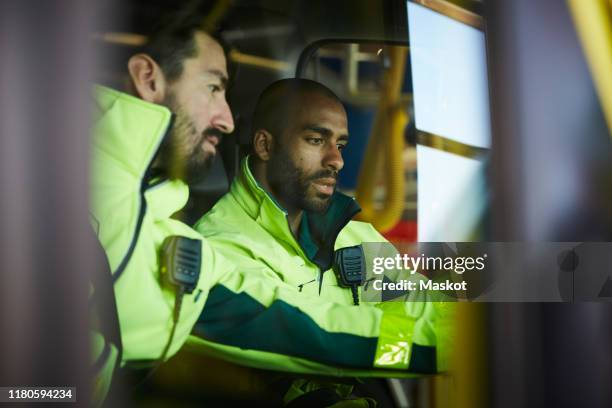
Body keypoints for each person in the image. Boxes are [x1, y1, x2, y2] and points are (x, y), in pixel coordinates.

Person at [191, 79, 454, 404]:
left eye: (340, 145)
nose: (336, 160)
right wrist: (444, 344)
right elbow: (324, 335)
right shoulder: (221, 248)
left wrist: (469, 330)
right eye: (316, 140)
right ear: (264, 146)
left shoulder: (349, 233)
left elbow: (411, 302)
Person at [89, 10, 235, 403]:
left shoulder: (163, 217)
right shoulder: (42, 181)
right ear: (149, 79)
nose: (228, 120)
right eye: (213, 88)